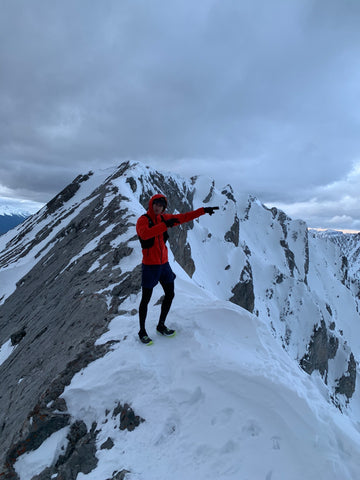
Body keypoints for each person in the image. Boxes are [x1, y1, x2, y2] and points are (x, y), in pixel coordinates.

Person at [136, 194, 218, 344]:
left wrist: (203, 210)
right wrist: (165, 226)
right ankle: (142, 331)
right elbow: (145, 234)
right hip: (150, 266)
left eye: (161, 205)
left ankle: (161, 325)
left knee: (170, 294)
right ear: (151, 204)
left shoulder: (163, 218)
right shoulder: (143, 220)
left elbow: (184, 217)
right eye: (156, 204)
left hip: (164, 265)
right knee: (145, 299)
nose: (158, 207)